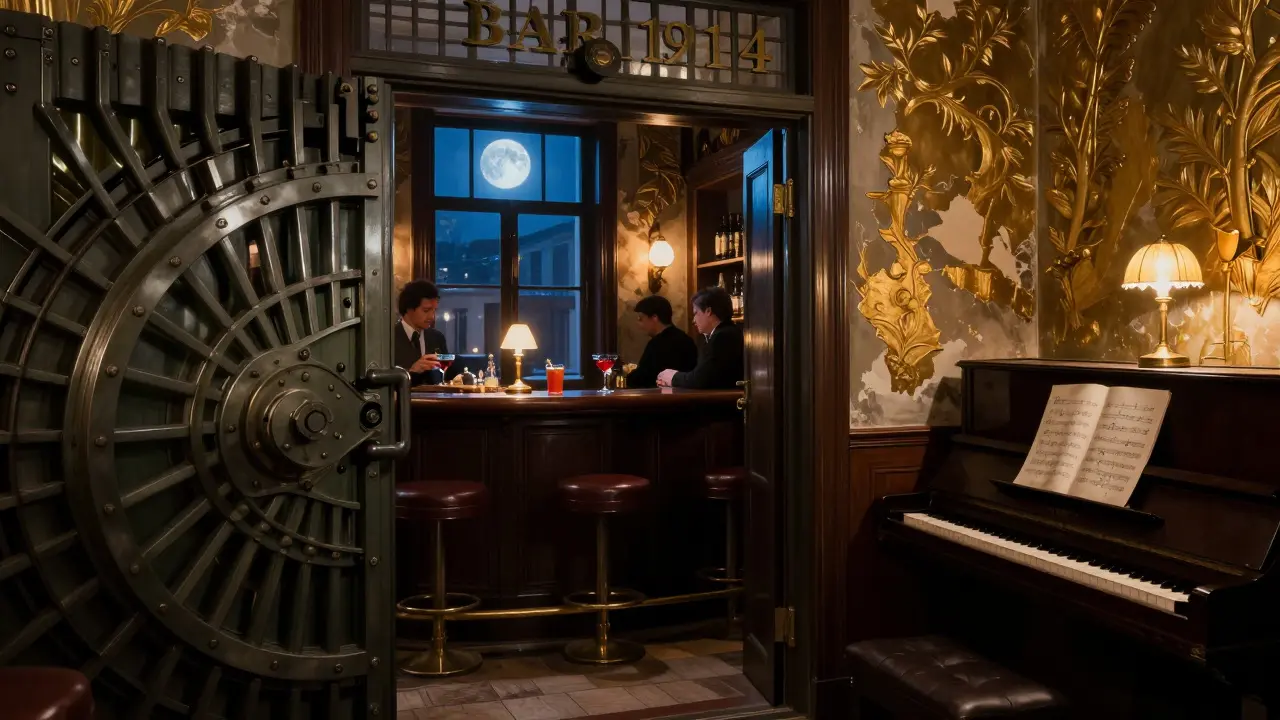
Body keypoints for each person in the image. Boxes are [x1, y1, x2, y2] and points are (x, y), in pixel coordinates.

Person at [657, 287, 743, 389]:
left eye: (695, 313)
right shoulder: (724, 333)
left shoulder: (723, 337)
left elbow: (701, 379)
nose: (694, 320)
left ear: (708, 311)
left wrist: (672, 377)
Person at [627, 295, 699, 388]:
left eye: (641, 318)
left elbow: (642, 377)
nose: (639, 324)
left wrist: (626, 377)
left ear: (654, 317)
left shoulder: (656, 344)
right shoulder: (686, 339)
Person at [395, 280, 448, 386]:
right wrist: (411, 372)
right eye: (426, 310)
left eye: (434, 310)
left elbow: (446, 372)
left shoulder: (437, 337)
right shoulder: (389, 338)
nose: (432, 317)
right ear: (409, 309)